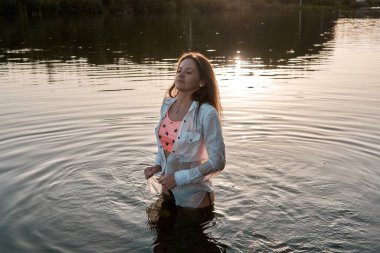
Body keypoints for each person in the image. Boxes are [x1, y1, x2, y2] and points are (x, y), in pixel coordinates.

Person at [144, 52, 226, 209]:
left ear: (202, 81)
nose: (181, 75)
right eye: (179, 70)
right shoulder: (167, 105)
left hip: (194, 200)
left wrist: (178, 178)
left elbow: (218, 161)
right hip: (167, 193)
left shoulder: (206, 113)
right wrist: (157, 167)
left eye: (188, 72)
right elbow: (166, 146)